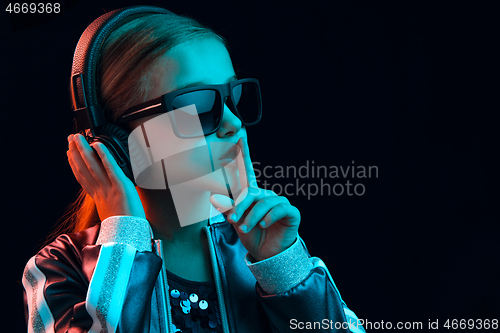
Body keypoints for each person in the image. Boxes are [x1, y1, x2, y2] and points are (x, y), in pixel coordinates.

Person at [22, 6, 366, 333]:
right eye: (197, 104)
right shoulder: (57, 268)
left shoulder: (264, 248)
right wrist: (123, 238)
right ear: (119, 143)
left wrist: (282, 269)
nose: (234, 122)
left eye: (232, 96)